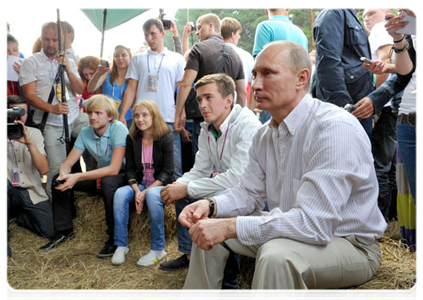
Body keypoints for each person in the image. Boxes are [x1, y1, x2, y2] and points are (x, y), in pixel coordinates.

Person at [179, 41, 387, 300]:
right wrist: (210, 206)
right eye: (254, 75)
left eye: (267, 73)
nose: (254, 85)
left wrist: (232, 226)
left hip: (349, 245)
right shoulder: (265, 134)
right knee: (208, 228)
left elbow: (315, 225)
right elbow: (247, 193)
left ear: (301, 78)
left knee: (276, 256)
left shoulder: (334, 129)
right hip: (295, 230)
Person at [160, 73, 261, 300]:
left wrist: (186, 189)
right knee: (197, 202)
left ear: (228, 100)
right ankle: (198, 265)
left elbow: (238, 179)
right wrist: (176, 185)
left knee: (211, 207)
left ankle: (225, 291)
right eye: (199, 99)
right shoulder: (208, 127)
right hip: (227, 191)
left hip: (254, 197)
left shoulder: (248, 125)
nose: (202, 105)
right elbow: (200, 169)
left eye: (208, 97)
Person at [39, 95, 128, 257]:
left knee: (108, 182)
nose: (93, 117)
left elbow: (114, 169)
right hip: (101, 175)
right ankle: (64, 232)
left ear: (110, 116)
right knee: (56, 180)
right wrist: (65, 174)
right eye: (90, 113)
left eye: (98, 113)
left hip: (123, 176)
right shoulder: (86, 131)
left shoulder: (119, 129)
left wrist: (78, 176)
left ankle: (114, 239)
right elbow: (67, 163)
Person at [19, 22, 88, 198]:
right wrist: (53, 108)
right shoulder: (31, 62)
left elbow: (80, 90)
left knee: (102, 132)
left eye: (55, 40)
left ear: (62, 39)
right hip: (51, 123)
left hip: (74, 117)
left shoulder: (70, 60)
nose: (50, 43)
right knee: (56, 169)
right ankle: (55, 210)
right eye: (46, 39)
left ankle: (97, 186)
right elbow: (29, 95)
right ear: (41, 37)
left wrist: (69, 70)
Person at [118, 18, 185, 178]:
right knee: (143, 164)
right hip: (142, 120)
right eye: (146, 35)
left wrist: (180, 113)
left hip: (167, 117)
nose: (149, 38)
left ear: (163, 33)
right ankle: (146, 197)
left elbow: (181, 89)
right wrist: (122, 115)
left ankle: (178, 201)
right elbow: (131, 88)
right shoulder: (137, 59)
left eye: (153, 34)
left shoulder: (176, 58)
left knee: (174, 166)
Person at [174, 13, 246, 159]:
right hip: (227, 120)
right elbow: (242, 93)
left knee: (202, 165)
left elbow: (185, 84)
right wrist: (236, 120)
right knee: (225, 163)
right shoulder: (235, 54)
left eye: (200, 27)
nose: (198, 32)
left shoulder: (198, 49)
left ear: (211, 26)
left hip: (204, 118)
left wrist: (178, 114)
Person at [112, 100, 174, 267]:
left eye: (145, 115)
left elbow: (167, 173)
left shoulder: (165, 137)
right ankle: (121, 245)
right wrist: (137, 190)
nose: (140, 119)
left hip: (158, 185)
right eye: (137, 115)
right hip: (140, 183)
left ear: (154, 116)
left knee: (153, 195)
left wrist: (145, 192)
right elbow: (130, 170)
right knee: (119, 194)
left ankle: (158, 249)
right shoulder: (132, 138)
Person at [357, 8, 397, 220]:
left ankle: (378, 221)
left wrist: (375, 105)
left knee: (379, 165)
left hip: (384, 105)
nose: (366, 18)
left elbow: (383, 66)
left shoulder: (382, 29)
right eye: (363, 15)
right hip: (393, 106)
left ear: (386, 12)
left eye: (371, 13)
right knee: (388, 165)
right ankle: (389, 219)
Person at [313, 8, 374, 137]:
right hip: (347, 106)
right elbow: (328, 64)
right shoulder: (333, 13)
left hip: (359, 104)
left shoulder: (350, 14)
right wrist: (344, 107)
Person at [5, 95, 54, 255]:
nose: (19, 117)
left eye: (23, 113)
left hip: (30, 192)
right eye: (14, 113)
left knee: (49, 231)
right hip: (6, 190)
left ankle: (18, 216)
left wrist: (29, 143)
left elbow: (44, 170)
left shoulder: (34, 134)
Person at [385, 10, 420, 225]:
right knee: (419, 201)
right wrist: (398, 38)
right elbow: (405, 71)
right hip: (406, 117)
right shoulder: (413, 27)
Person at [250, 8, 308, 123]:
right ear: (287, 8)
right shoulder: (301, 33)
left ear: (266, 10)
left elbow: (259, 67)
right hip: (298, 99)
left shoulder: (265, 27)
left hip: (272, 97)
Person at [87, 45, 133, 126]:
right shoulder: (107, 74)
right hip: (105, 118)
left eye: (123, 55)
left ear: (130, 57)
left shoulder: (133, 78)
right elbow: (90, 89)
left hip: (126, 119)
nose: (120, 58)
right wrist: (97, 74)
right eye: (116, 56)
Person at [221, 17, 254, 97]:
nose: (239, 37)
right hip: (239, 103)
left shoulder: (212, 52)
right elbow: (253, 81)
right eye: (238, 33)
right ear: (233, 34)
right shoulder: (246, 56)